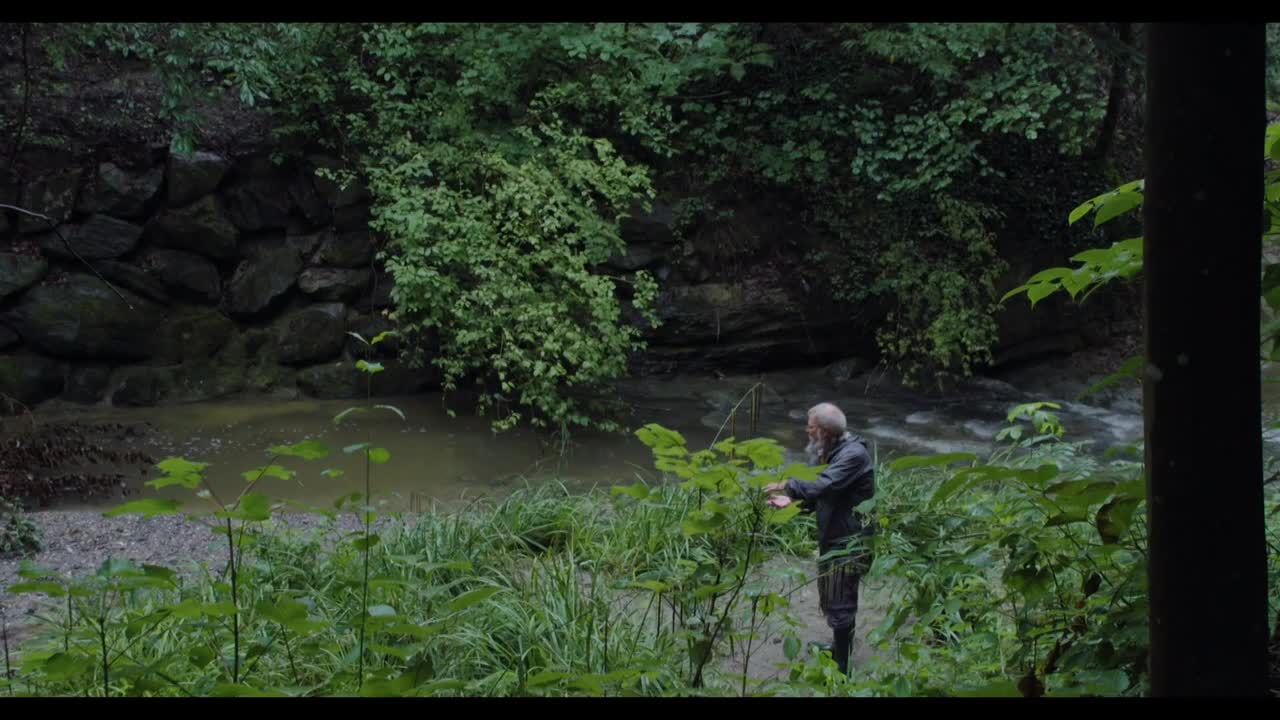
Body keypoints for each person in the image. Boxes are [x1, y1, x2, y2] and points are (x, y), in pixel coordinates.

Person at [765, 402, 875, 676]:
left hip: (850, 541)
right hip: (834, 536)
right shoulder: (830, 452)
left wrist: (786, 485)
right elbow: (824, 494)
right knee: (832, 596)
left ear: (824, 431)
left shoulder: (853, 455)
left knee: (841, 601)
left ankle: (842, 669)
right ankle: (839, 650)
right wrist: (793, 502)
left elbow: (824, 485)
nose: (807, 430)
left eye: (811, 427)